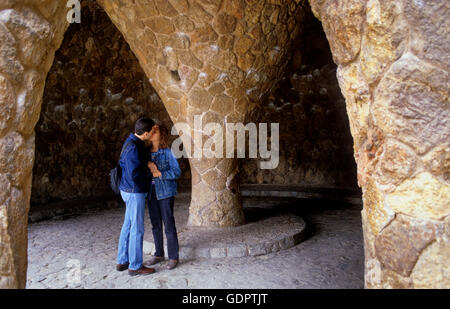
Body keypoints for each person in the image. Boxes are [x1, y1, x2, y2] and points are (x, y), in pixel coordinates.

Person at [116, 117, 158, 276]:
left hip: (128, 190)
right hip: (134, 191)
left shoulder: (131, 141)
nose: (154, 133)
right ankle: (135, 265)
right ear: (146, 133)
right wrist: (150, 171)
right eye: (152, 131)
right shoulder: (133, 147)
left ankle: (122, 260)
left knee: (128, 224)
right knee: (137, 228)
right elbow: (135, 174)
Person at [145, 124, 182, 270]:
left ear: (162, 134)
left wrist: (160, 174)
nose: (153, 133)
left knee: (168, 224)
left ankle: (173, 257)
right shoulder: (145, 152)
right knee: (155, 225)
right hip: (151, 192)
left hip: (166, 192)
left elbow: (177, 172)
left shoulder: (168, 152)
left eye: (156, 131)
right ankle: (159, 254)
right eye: (151, 130)